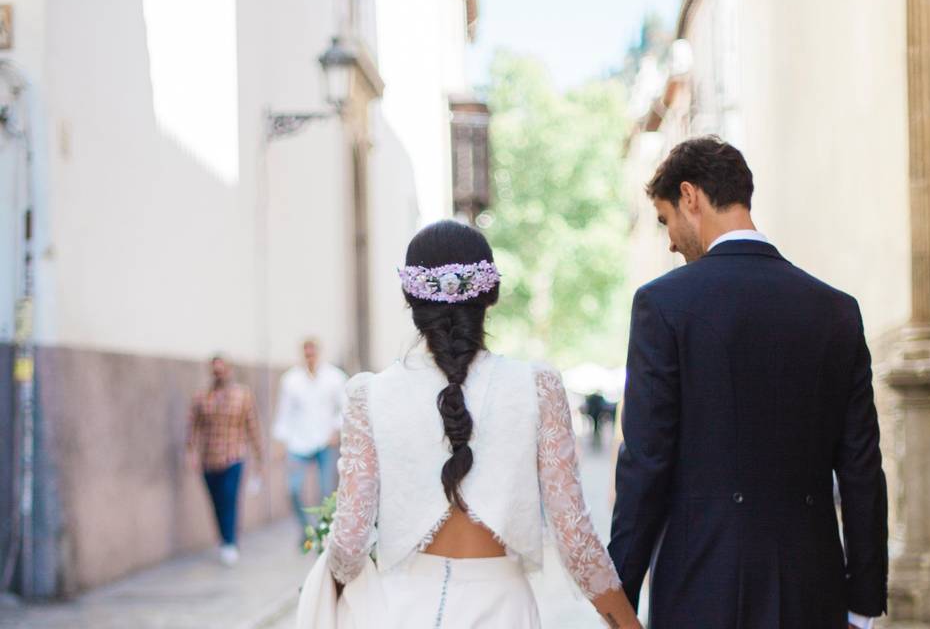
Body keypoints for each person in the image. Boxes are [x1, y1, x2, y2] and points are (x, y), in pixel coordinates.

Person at [298, 220, 641, 628]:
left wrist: (330, 585)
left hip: (404, 610)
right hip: (505, 610)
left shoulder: (368, 396)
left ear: (410, 299)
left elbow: (350, 543)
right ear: (491, 296)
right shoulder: (538, 388)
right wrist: (628, 623)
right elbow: (575, 539)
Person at [609, 136, 888, 629]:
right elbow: (862, 467)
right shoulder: (837, 311)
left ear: (690, 197)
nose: (670, 240)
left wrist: (618, 594)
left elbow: (646, 465)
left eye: (664, 219)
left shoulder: (663, 305)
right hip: (813, 590)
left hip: (701, 589)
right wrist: (863, 602)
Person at [187, 355, 264, 566]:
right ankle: (224, 540)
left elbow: (253, 427)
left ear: (229, 370)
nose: (218, 374)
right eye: (215, 370)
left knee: (229, 498)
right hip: (209, 459)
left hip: (233, 456)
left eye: (222, 369)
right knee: (216, 502)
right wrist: (191, 452)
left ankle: (230, 542)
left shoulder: (243, 395)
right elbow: (193, 426)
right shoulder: (202, 397)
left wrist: (259, 458)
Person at [272, 339, 347, 541]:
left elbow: (345, 407)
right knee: (293, 489)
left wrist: (336, 429)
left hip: (325, 441)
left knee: (326, 492)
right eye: (306, 353)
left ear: (319, 353)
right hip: (298, 441)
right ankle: (306, 530)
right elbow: (284, 412)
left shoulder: (335, 377)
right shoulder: (290, 380)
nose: (310, 356)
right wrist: (280, 440)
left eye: (313, 352)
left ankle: (325, 532)